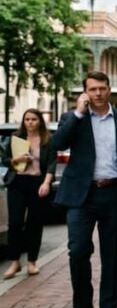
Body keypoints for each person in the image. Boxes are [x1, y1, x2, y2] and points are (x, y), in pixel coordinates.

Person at [52, 71, 117, 308]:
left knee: (111, 255)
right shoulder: (73, 118)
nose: (98, 94)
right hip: (82, 196)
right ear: (85, 92)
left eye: (102, 88)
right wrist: (79, 113)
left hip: (114, 193)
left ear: (109, 89)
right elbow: (58, 144)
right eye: (92, 90)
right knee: (78, 250)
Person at [2, 109, 56, 279]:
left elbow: (51, 164)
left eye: (34, 119)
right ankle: (15, 262)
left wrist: (46, 183)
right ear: (23, 121)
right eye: (27, 119)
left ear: (40, 121)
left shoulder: (47, 140)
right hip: (17, 183)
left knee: (35, 223)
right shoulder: (15, 138)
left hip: (37, 183)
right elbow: (5, 160)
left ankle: (32, 262)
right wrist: (18, 160)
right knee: (15, 223)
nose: (30, 122)